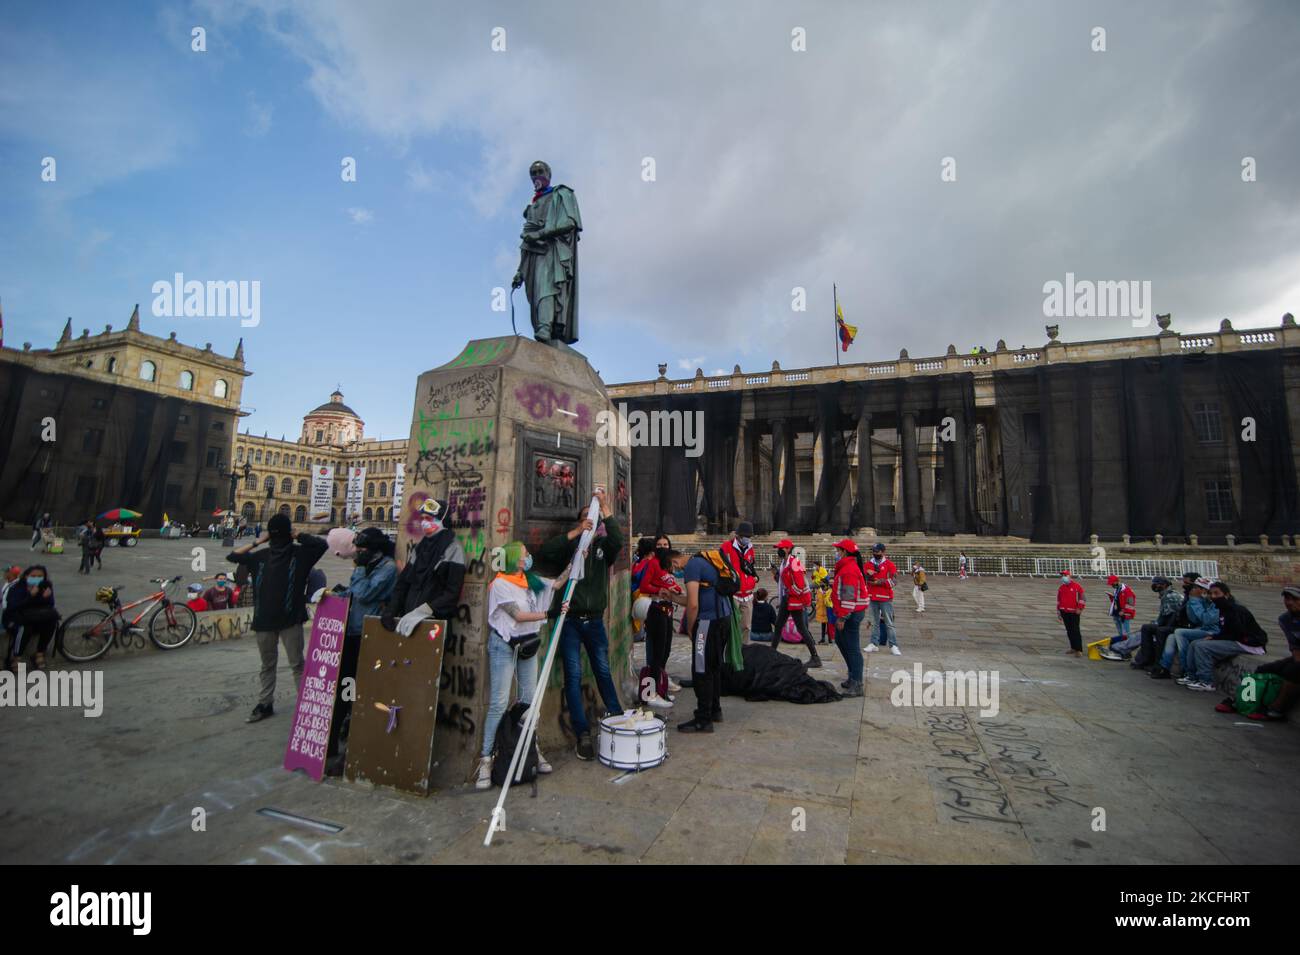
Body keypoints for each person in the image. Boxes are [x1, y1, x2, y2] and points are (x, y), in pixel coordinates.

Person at [536, 488, 623, 760]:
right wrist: (576, 534)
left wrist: (606, 508)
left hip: (594, 621)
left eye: (594, 517)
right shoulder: (571, 546)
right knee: (572, 677)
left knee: (603, 670)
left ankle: (617, 717)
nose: (591, 519)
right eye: (586, 516)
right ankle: (582, 733)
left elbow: (617, 540)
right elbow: (546, 551)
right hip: (570, 621)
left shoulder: (602, 548)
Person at [227, 514, 328, 723]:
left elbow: (234, 556)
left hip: (277, 619)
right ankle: (295, 705)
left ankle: (271, 704)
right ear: (289, 532)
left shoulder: (275, 555)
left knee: (276, 665)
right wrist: (298, 535)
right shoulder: (292, 554)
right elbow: (321, 545)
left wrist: (257, 542)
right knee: (295, 664)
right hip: (277, 621)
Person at [476, 541, 558, 788]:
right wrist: (548, 615)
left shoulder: (529, 580)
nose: (528, 557)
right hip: (504, 645)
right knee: (499, 703)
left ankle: (530, 748)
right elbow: (517, 615)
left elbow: (557, 584)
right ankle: (486, 760)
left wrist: (578, 556)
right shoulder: (500, 584)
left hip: (527, 645)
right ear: (513, 558)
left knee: (529, 702)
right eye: (524, 554)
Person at [323, 526, 399, 774]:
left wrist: (359, 569)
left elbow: (365, 593)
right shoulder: (369, 567)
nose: (359, 552)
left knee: (363, 692)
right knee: (345, 689)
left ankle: (353, 750)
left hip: (369, 635)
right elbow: (354, 595)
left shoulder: (386, 568)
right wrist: (336, 595)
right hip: (351, 632)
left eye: (363, 549)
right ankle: (331, 743)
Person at [511, 159, 583, 346]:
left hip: (553, 252)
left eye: (540, 171)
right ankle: (544, 327)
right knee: (535, 297)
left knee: (547, 289)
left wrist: (540, 234)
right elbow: (526, 240)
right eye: (533, 173)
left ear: (549, 174)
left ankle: (545, 326)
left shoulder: (561, 194)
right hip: (533, 255)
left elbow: (570, 222)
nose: (537, 176)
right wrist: (520, 270)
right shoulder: (532, 206)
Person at [381, 498, 466, 637]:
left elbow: (452, 593)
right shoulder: (421, 547)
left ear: (441, 520)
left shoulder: (454, 548)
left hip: (434, 625)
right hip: (408, 620)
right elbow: (404, 582)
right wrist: (392, 609)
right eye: (422, 518)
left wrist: (425, 611)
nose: (424, 522)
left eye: (429, 518)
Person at [678, 545, 734, 733]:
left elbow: (693, 605)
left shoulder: (692, 567)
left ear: (675, 561)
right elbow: (699, 596)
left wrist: (691, 628)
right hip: (724, 618)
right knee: (714, 666)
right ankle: (715, 710)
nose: (677, 572)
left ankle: (703, 719)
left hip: (707, 623)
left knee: (701, 671)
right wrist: (671, 596)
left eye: (674, 568)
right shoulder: (706, 561)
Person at [1222, 586, 1300, 720]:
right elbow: (1294, 646)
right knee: (1263, 669)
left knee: (1293, 672)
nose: (1289, 602)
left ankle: (1276, 710)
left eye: (1295, 599)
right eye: (1287, 599)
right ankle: (1243, 701)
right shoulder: (1285, 619)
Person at [1183, 582, 1268, 691]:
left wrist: (1216, 638)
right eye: (1211, 593)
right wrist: (1214, 637)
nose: (1213, 597)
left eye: (1216, 594)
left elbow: (1238, 633)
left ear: (1226, 595)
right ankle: (1192, 676)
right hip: (1235, 639)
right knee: (1195, 643)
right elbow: (1226, 630)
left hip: (1248, 643)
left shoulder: (1236, 610)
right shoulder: (1223, 609)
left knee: (1202, 647)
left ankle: (1206, 681)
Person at [633, 545, 685, 709]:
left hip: (668, 610)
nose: (674, 567)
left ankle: (660, 688)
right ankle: (651, 693)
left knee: (665, 651)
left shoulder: (665, 567)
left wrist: (675, 589)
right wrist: (659, 590)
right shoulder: (653, 563)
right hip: (657, 609)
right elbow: (644, 585)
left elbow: (671, 584)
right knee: (657, 652)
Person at [1149, 577, 1219, 680]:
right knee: (1171, 638)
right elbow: (1194, 619)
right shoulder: (1201, 600)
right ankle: (1164, 668)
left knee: (1180, 633)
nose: (1193, 589)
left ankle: (1186, 670)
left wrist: (1195, 601)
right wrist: (1192, 601)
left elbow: (1206, 619)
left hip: (1211, 630)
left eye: (1197, 587)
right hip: (1202, 628)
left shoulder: (1214, 603)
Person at [771, 539, 822, 667]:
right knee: (778, 626)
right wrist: (776, 575)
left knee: (801, 628)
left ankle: (815, 658)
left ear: (788, 549)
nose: (778, 550)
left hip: (794, 600)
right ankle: (771, 654)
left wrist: (789, 593)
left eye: (780, 548)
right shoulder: (785, 563)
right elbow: (785, 583)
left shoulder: (794, 563)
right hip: (788, 599)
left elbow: (799, 584)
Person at [830, 539, 869, 697]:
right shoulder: (847, 567)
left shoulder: (849, 570)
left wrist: (842, 617)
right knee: (840, 640)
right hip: (848, 611)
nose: (836, 553)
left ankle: (857, 682)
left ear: (844, 552)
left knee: (852, 647)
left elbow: (849, 596)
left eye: (838, 550)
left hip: (850, 613)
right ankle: (853, 675)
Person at [3, 565, 58, 672]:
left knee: (51, 622)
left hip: (35, 616)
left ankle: (39, 653)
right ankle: (16, 657)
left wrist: (45, 597)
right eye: (33, 576)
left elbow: (50, 604)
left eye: (40, 576)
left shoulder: (46, 585)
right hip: (15, 618)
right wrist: (30, 596)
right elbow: (13, 607)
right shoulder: (17, 587)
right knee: (25, 627)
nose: (36, 578)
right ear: (26, 576)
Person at [1119, 576, 1183, 667]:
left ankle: (1123, 650)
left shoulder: (1170, 596)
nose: (1154, 586)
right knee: (1145, 631)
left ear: (1164, 585)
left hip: (1172, 626)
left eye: (1156, 584)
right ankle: (1131, 653)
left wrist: (1157, 624)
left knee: (1145, 631)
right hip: (1170, 624)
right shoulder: (1168, 594)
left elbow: (1169, 617)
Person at [719, 521, 758, 645]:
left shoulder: (751, 548)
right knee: (731, 626)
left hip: (747, 594)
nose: (747, 539)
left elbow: (751, 567)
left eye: (749, 536)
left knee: (746, 626)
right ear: (738, 536)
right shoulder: (726, 547)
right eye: (745, 536)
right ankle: (730, 652)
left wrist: (754, 579)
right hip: (733, 594)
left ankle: (743, 652)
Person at [864, 542, 900, 655]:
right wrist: (867, 574)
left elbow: (894, 581)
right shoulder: (868, 564)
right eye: (873, 551)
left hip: (885, 598)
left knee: (889, 623)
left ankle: (893, 645)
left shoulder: (890, 565)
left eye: (877, 551)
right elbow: (863, 578)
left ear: (883, 552)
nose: (875, 553)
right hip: (872, 596)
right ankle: (874, 643)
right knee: (874, 622)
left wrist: (879, 581)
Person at [1102, 574, 1137, 655]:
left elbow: (1131, 603)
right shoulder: (1117, 589)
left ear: (1116, 582)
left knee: (1126, 634)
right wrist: (1111, 597)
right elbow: (1117, 601)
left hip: (1124, 615)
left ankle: (1127, 650)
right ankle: (1122, 648)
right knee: (1121, 633)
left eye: (1112, 583)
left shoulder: (1127, 590)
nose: (1111, 585)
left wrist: (1124, 611)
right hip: (1117, 613)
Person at [1057, 570, 1086, 657]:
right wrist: (1058, 611)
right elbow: (1058, 600)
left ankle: (1079, 649)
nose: (1063, 577)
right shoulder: (1061, 587)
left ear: (1069, 576)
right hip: (1064, 611)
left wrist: (1080, 608)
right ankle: (1073, 647)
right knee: (1069, 631)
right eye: (1062, 575)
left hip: (1074, 612)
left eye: (1065, 575)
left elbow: (1083, 598)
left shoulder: (1077, 587)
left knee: (1075, 630)